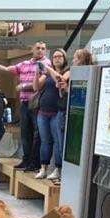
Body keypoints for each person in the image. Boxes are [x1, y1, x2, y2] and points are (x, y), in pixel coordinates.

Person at [0, 42, 51, 171]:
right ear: (32, 49)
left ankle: (35, 162)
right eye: (38, 48)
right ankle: (26, 160)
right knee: (25, 133)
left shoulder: (46, 64)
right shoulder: (24, 64)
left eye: (43, 49)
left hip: (38, 103)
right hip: (25, 102)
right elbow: (6, 69)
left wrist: (24, 86)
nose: (40, 51)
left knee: (37, 134)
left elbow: (41, 83)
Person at [34, 48, 69, 180]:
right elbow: (36, 87)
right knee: (45, 141)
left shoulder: (67, 71)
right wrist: (37, 73)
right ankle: (43, 168)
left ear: (64, 58)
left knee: (57, 142)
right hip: (43, 112)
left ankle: (58, 168)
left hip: (57, 112)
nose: (57, 59)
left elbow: (60, 80)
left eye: (60, 56)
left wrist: (48, 68)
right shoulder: (47, 73)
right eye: (54, 57)